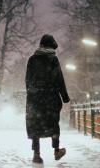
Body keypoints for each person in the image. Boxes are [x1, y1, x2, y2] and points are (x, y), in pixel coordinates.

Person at [25, 34, 70, 164]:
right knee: (53, 124)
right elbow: (59, 79)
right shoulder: (53, 60)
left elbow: (27, 80)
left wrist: (32, 93)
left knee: (35, 125)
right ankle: (56, 150)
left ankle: (36, 154)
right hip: (51, 99)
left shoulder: (32, 60)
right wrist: (65, 97)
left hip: (35, 100)